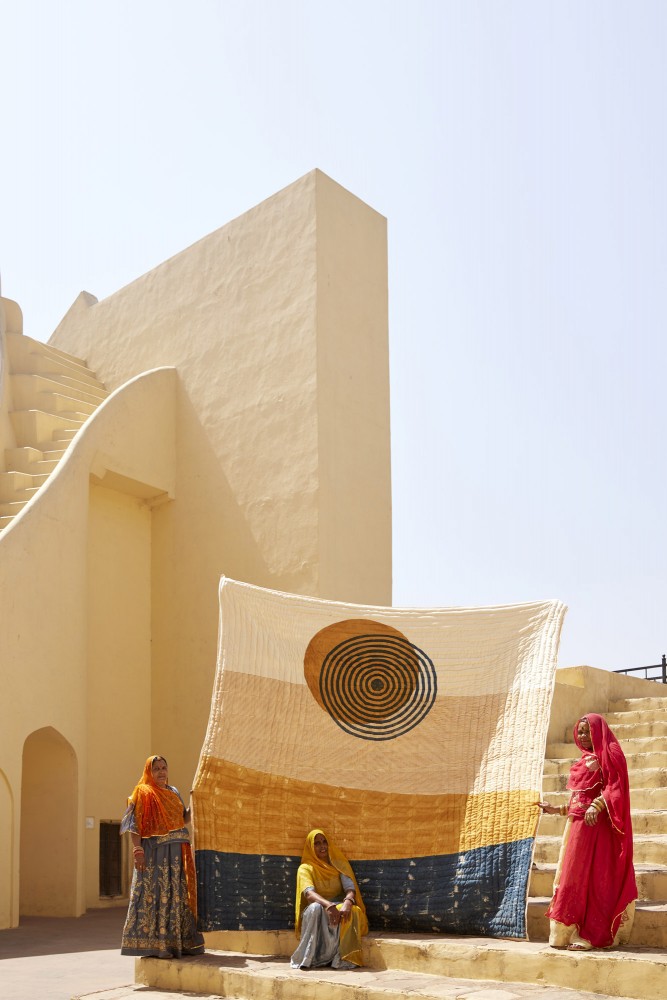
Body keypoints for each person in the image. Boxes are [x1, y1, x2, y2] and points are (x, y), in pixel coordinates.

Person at [537, 714, 637, 950]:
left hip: (597, 828)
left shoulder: (611, 753)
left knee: (594, 879)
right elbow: (580, 799)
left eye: (587, 731)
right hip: (577, 828)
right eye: (580, 731)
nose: (582, 736)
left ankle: (590, 935)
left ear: (598, 731)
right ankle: (565, 934)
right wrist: (556, 809)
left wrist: (597, 805)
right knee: (572, 878)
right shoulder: (585, 760)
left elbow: (616, 787)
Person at [120, 754, 204, 958]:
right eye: (156, 769)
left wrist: (194, 802)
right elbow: (134, 824)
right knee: (155, 895)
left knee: (176, 896)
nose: (161, 772)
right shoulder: (143, 792)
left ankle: (179, 944)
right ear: (149, 772)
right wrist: (137, 850)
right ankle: (157, 946)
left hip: (176, 855)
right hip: (154, 854)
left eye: (163, 768)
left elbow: (183, 819)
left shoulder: (173, 792)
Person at [291, 828, 368, 970]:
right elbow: (309, 894)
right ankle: (309, 958)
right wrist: (328, 905)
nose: (322, 846)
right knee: (315, 908)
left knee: (353, 911)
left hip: (336, 906)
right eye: (317, 843)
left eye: (324, 842)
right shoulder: (305, 868)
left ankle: (342, 959)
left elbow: (350, 889)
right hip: (319, 910)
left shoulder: (338, 864)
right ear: (310, 847)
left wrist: (348, 901)